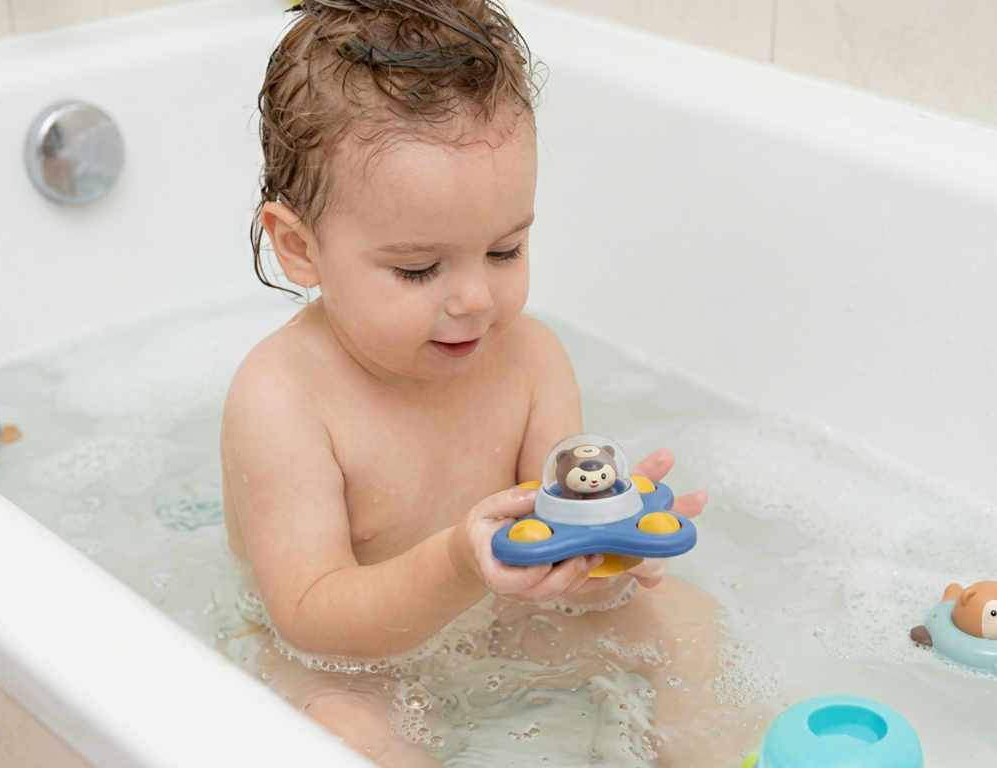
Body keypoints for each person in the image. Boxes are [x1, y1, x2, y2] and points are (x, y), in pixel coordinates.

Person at [220, 2, 750, 765]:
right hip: (352, 668)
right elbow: (309, 619)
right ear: (300, 248)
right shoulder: (283, 397)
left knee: (689, 623)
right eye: (417, 268)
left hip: (506, 622)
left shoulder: (531, 359)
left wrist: (609, 554)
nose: (475, 299)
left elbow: (565, 551)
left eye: (504, 251)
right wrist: (454, 566)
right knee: (341, 738)